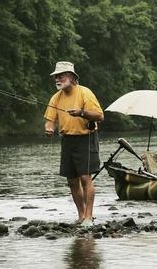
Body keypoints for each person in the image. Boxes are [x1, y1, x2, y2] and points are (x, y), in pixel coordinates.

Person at [44, 61, 104, 227]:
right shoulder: (55, 98)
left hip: (86, 138)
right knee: (72, 180)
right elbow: (50, 121)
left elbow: (100, 116)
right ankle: (81, 215)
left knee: (85, 178)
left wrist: (82, 113)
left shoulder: (85, 93)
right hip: (67, 140)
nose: (57, 78)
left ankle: (89, 217)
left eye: (61, 75)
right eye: (56, 76)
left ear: (71, 77)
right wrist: (49, 129)